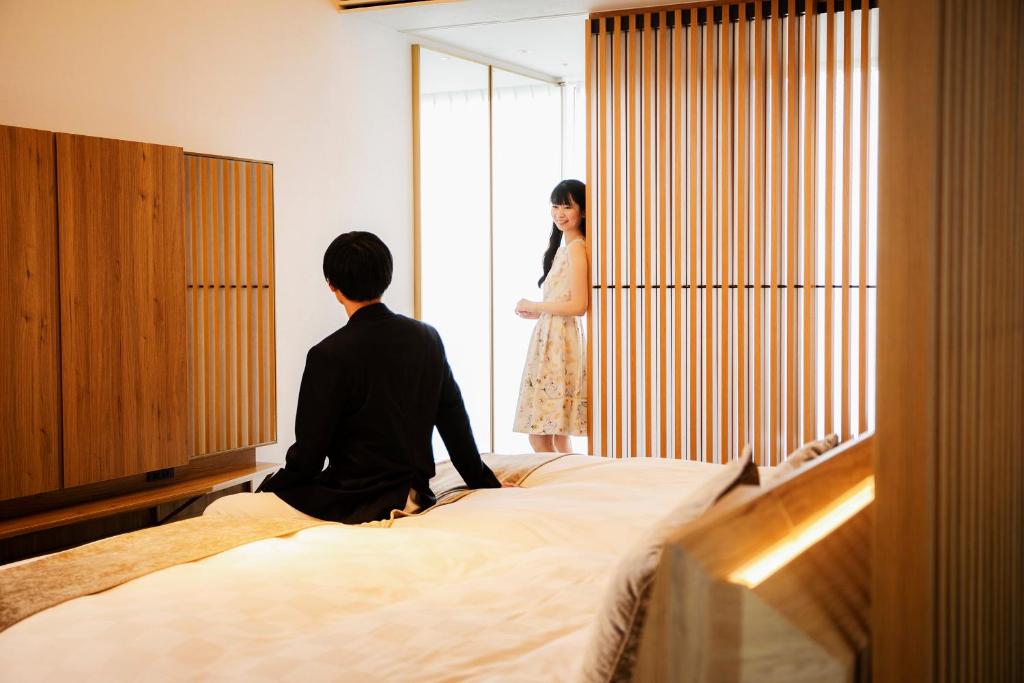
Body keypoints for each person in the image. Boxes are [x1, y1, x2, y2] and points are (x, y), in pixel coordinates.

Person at [254, 231, 502, 523]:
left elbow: (308, 457)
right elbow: (454, 421)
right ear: (387, 276)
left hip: (356, 500)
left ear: (332, 285)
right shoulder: (427, 338)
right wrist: (483, 482)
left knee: (236, 506)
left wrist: (270, 487)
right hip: (417, 493)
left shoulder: (327, 354)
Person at [513, 179, 589, 453]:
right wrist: (539, 313)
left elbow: (579, 305)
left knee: (541, 437)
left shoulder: (576, 248)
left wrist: (536, 306)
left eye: (567, 206)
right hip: (554, 339)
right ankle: (573, 478)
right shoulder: (565, 247)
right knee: (557, 436)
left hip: (559, 345)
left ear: (582, 211)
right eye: (555, 206)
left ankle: (562, 478)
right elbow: (565, 301)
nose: (559, 213)